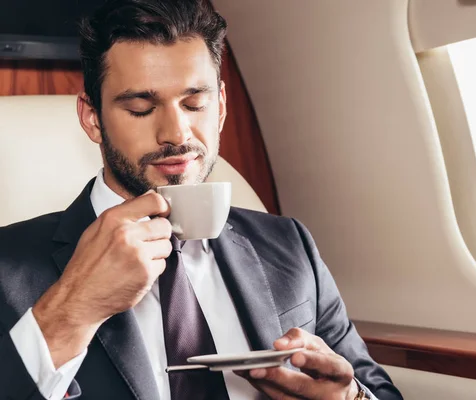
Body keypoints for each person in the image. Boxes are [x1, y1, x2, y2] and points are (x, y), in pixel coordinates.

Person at [0, 1, 403, 399]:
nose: (176, 133)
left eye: (195, 104)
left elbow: (379, 391)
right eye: (141, 108)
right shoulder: (7, 263)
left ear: (222, 107)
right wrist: (75, 309)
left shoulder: (289, 244)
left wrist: (349, 397)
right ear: (92, 118)